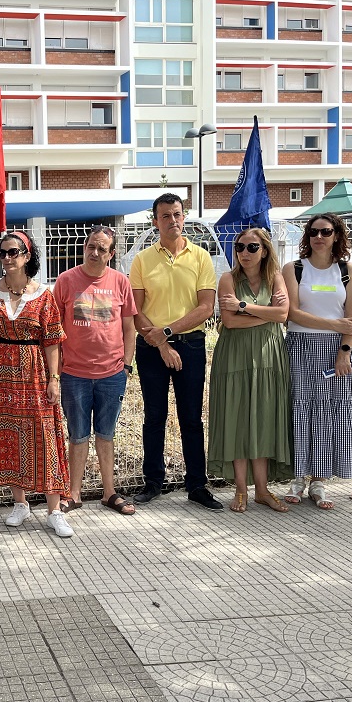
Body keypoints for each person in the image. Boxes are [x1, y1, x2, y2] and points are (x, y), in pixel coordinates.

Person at [0, 230, 73, 538]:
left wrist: (54, 379)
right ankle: (20, 503)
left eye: (13, 252)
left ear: (28, 256)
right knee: (10, 435)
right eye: (2, 253)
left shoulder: (44, 295)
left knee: (44, 435)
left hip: (34, 374)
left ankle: (54, 509)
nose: (6, 258)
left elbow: (53, 341)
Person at [129, 193, 222, 512]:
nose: (173, 220)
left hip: (192, 346)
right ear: (155, 221)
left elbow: (206, 308)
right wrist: (162, 344)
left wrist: (167, 332)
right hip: (152, 348)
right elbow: (136, 310)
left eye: (178, 214)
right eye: (165, 215)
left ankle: (197, 484)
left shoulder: (200, 257)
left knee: (191, 418)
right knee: (155, 416)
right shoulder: (142, 260)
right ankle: (153, 482)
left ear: (185, 217)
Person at [281, 214, 352, 508]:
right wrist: (336, 325)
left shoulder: (349, 270)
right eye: (313, 231)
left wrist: (344, 351)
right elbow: (292, 314)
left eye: (326, 231)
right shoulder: (294, 269)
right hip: (301, 347)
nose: (319, 236)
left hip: (338, 351)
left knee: (330, 413)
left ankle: (320, 481)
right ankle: (298, 478)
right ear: (307, 236)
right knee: (301, 410)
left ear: (337, 236)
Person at [52, 224, 137, 517]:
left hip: (112, 374)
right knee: (77, 434)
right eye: (91, 246)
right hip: (74, 373)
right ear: (84, 247)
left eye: (102, 248)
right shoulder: (65, 281)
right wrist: (57, 369)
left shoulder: (120, 282)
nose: (95, 252)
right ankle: (73, 494)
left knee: (106, 434)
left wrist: (126, 365)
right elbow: (54, 329)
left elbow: (129, 328)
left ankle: (109, 493)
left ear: (111, 254)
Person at [208, 228, 291, 513]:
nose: (245, 253)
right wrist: (266, 314)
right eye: (240, 247)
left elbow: (283, 315)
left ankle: (263, 491)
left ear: (265, 250)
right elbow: (229, 323)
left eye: (252, 248)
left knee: (265, 419)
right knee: (238, 419)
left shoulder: (275, 277)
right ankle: (241, 490)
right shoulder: (228, 279)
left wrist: (245, 306)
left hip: (269, 357)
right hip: (234, 358)